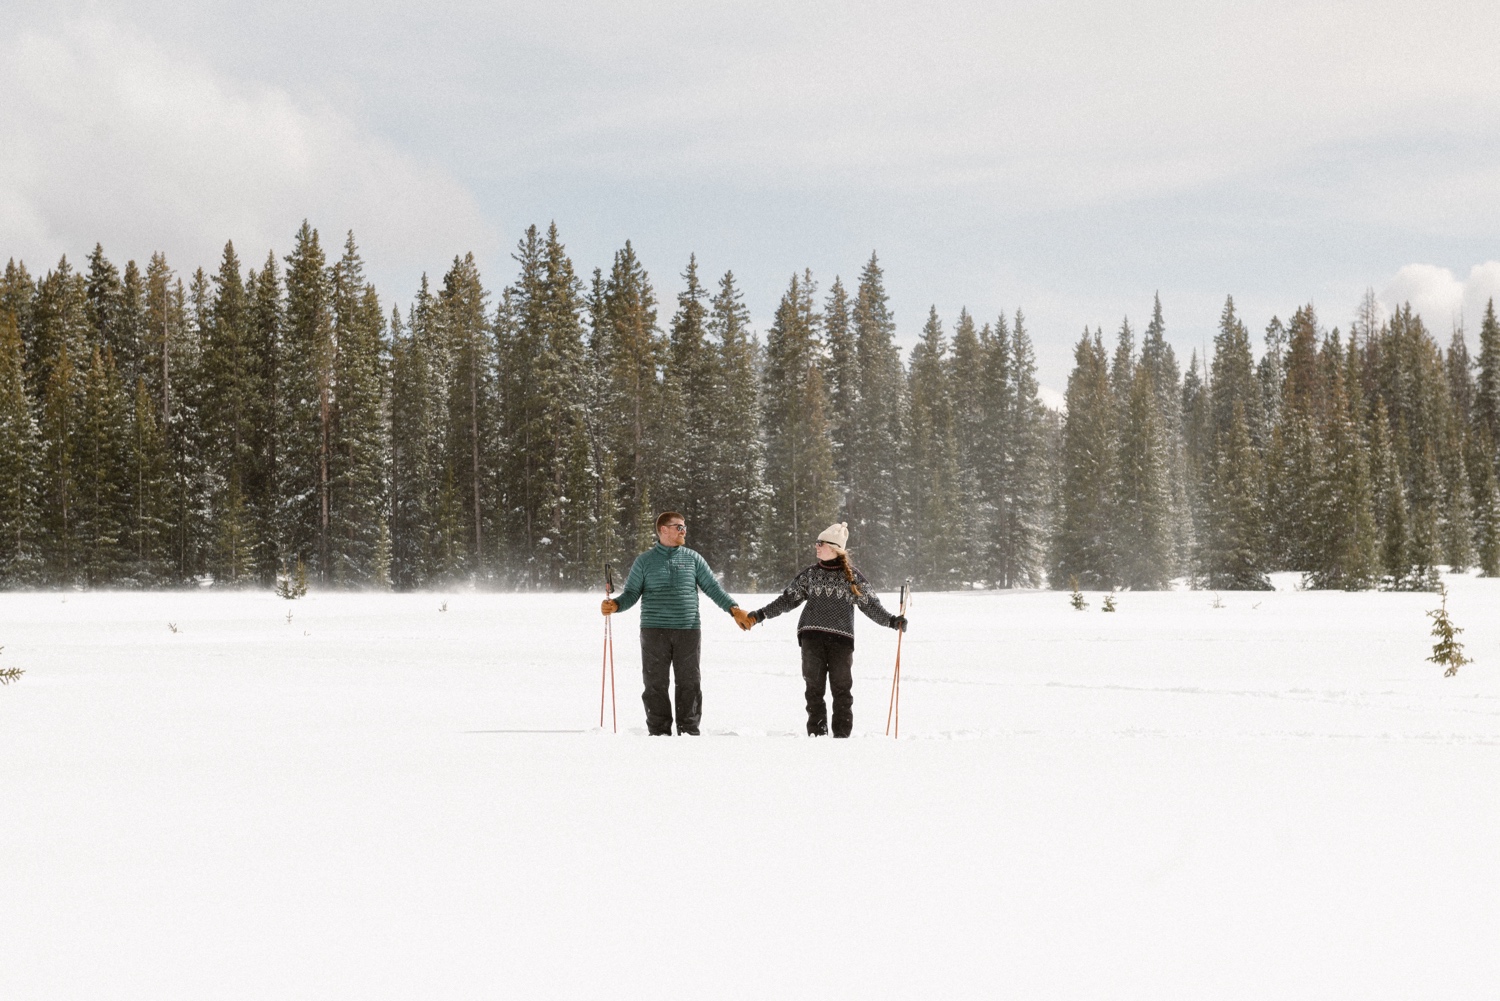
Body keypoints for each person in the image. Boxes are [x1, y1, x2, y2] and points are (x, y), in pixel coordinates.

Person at [743, 522, 906, 737]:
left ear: (834, 547)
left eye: (820, 543)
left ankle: (841, 738)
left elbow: (871, 606)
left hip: (841, 642)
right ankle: (817, 736)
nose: (816, 547)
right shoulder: (810, 575)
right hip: (812, 639)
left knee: (842, 692)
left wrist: (892, 621)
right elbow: (786, 600)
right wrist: (760, 614)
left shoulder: (852, 577)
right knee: (814, 692)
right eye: (816, 543)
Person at [602, 511, 755, 735]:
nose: (684, 531)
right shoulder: (644, 561)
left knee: (689, 683)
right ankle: (659, 732)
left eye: (685, 527)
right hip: (654, 630)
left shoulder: (693, 558)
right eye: (679, 527)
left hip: (688, 629)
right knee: (655, 684)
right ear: (663, 530)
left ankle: (689, 730)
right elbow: (632, 593)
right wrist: (615, 605)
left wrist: (734, 609)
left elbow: (712, 588)